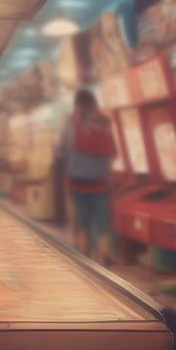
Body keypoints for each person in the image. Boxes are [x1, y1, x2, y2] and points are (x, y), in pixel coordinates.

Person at [61, 89, 116, 264]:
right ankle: (104, 253)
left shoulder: (71, 121)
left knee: (81, 217)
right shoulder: (104, 120)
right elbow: (110, 152)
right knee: (102, 221)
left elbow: (63, 144)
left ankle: (83, 253)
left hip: (76, 179)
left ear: (77, 103)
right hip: (100, 180)